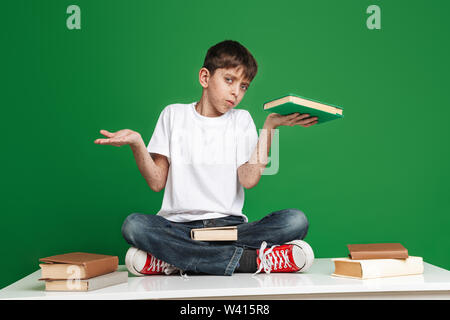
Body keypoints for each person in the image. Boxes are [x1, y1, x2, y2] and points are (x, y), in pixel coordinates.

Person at [94, 40, 318, 276]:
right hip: (179, 228)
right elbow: (156, 181)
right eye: (229, 80)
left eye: (244, 86)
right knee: (134, 225)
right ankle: (253, 261)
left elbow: (249, 179)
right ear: (205, 77)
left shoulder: (241, 120)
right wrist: (138, 144)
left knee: (295, 220)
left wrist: (270, 127)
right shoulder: (173, 114)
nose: (236, 92)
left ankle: (173, 260)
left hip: (230, 228)